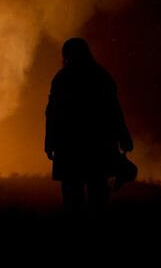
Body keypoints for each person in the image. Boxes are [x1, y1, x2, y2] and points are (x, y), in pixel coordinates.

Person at [45, 38, 133, 213]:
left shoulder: (62, 79)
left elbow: (52, 113)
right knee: (98, 193)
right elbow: (113, 110)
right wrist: (123, 136)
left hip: (70, 146)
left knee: (72, 196)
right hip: (99, 145)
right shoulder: (101, 76)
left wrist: (50, 142)